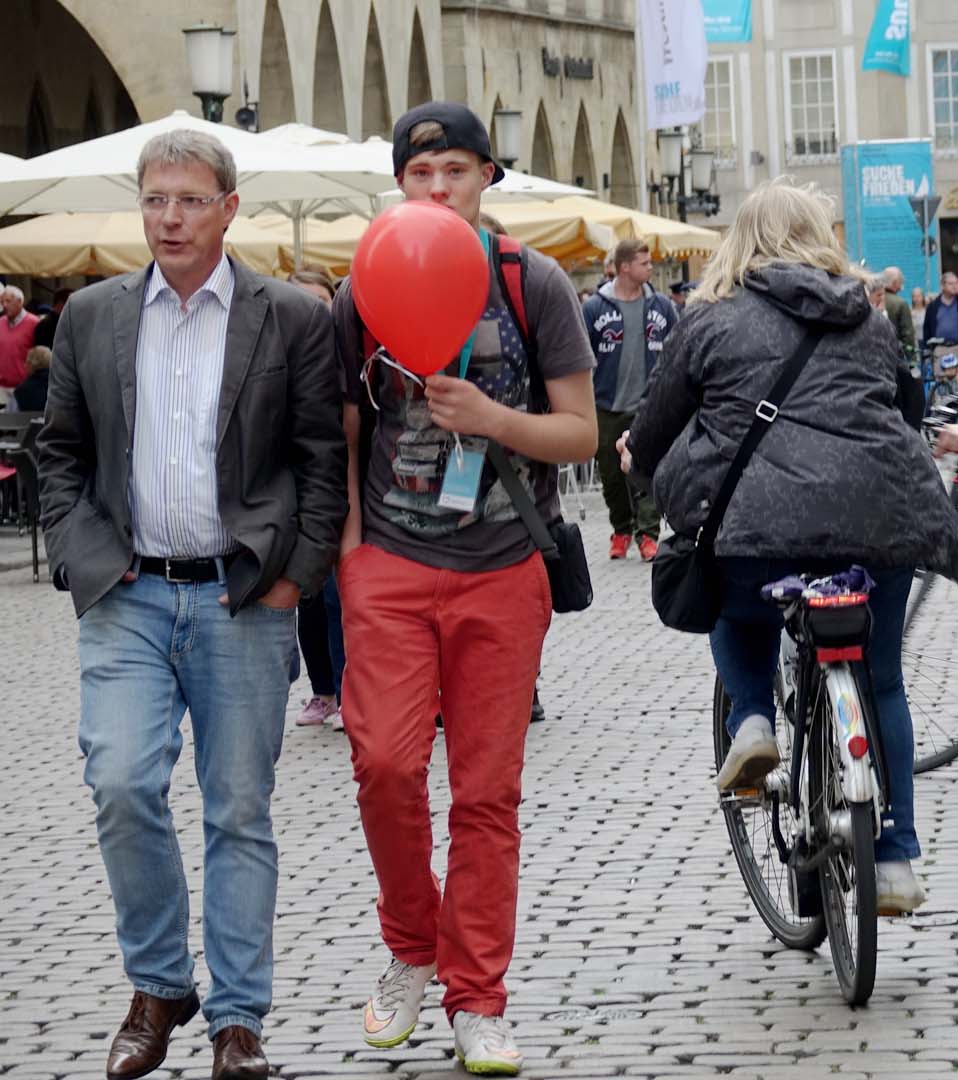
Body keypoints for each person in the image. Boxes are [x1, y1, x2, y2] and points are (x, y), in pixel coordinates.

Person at [36, 129, 347, 1080]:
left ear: (228, 209)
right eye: (155, 199)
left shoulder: (289, 315)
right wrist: (85, 562)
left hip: (242, 594)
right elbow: (61, 456)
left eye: (188, 199)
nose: (169, 217)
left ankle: (239, 1020)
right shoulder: (90, 315)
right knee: (123, 782)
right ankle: (160, 983)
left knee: (238, 810)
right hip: (127, 593)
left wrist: (296, 576)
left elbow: (319, 461)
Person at [335, 102, 597, 1074]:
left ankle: (477, 999)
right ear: (399, 183)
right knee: (386, 767)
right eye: (419, 173)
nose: (437, 189)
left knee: (487, 796)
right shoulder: (363, 285)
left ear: (489, 175)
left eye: (454, 170)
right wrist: (354, 557)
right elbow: (344, 434)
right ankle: (413, 940)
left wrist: (494, 417)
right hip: (394, 569)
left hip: (502, 569)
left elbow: (581, 434)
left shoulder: (536, 286)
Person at [620, 179, 958, 913]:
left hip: (760, 537)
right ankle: (897, 857)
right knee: (882, 680)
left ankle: (750, 717)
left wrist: (641, 463)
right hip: (882, 523)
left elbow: (654, 431)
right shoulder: (867, 319)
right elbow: (903, 408)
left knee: (735, 603)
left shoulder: (708, 319)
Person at [581, 238, 678, 560]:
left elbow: (678, 348)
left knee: (645, 470)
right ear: (625, 267)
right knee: (610, 475)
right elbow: (581, 354)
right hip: (607, 404)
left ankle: (647, 534)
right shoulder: (594, 308)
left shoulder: (662, 306)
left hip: (648, 405)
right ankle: (621, 529)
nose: (651, 267)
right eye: (644, 263)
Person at [287, 269, 350, 732]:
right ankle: (322, 690)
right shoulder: (277, 355)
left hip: (341, 492)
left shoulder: (344, 355)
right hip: (293, 495)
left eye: (319, 301)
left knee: (336, 598)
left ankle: (350, 693)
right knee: (308, 601)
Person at [922, 270, 958, 378]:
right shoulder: (933, 307)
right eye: (950, 283)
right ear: (942, 286)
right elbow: (927, 329)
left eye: (956, 283)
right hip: (940, 350)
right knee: (941, 386)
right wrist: (927, 352)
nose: (954, 286)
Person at [0, 284, 39, 401]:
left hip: (25, 387)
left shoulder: (34, 323)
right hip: (1, 388)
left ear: (20, 302)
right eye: (2, 302)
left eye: (8, 301)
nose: (5, 306)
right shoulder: (0, 323)